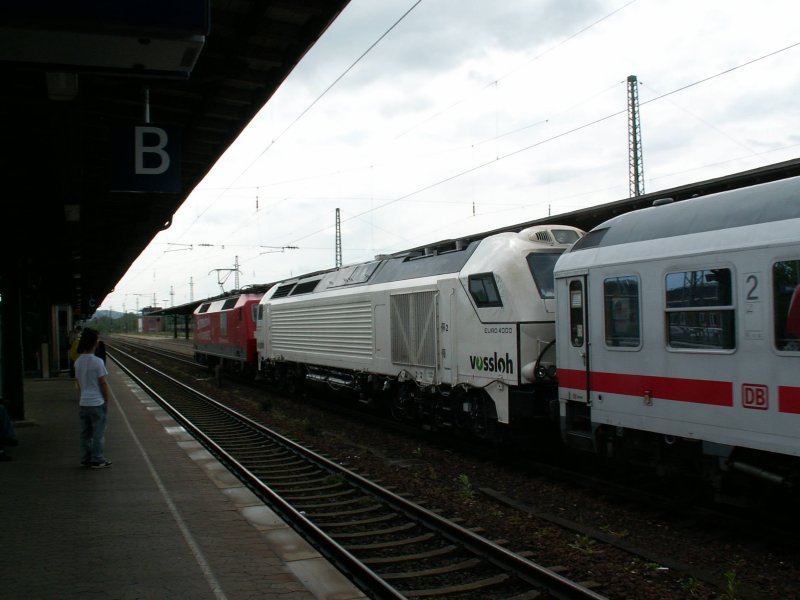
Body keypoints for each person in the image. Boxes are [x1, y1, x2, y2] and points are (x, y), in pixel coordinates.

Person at [74, 327, 112, 469]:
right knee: (98, 433)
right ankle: (97, 459)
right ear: (93, 343)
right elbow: (102, 383)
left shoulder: (78, 362)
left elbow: (78, 383)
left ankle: (85, 458)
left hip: (83, 402)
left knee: (85, 433)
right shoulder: (97, 362)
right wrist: (106, 399)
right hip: (97, 402)